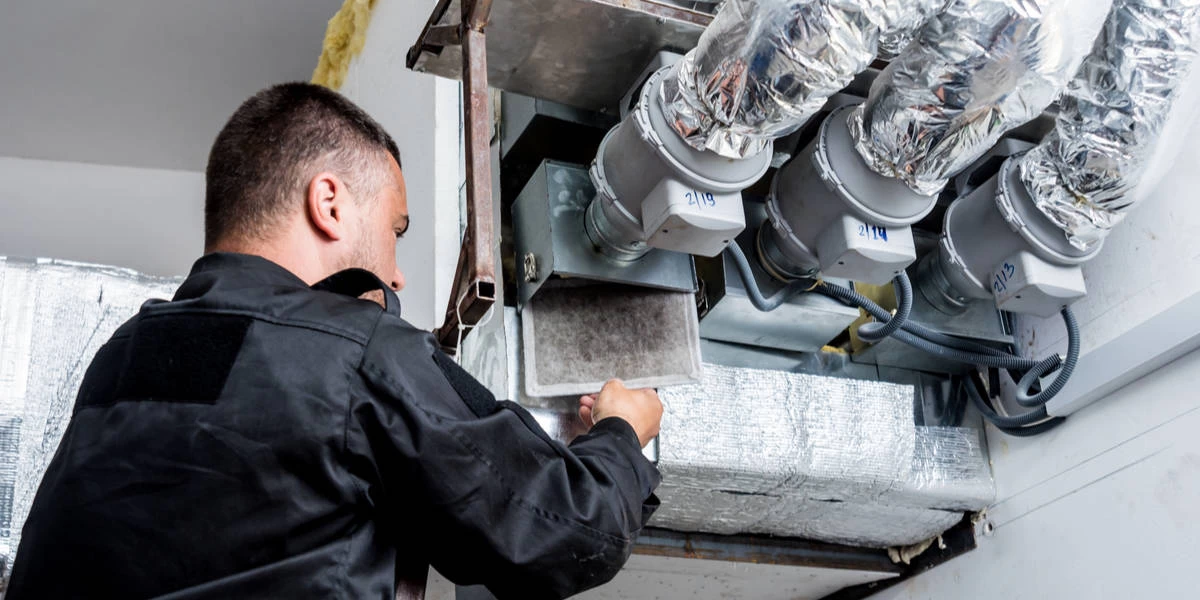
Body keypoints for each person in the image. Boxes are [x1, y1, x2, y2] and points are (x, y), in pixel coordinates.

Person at [7, 82, 664, 600]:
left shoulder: (120, 357)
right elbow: (567, 530)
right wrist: (621, 434)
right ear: (329, 203)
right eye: (395, 230)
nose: (398, 271)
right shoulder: (352, 347)